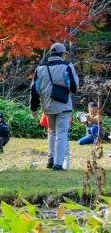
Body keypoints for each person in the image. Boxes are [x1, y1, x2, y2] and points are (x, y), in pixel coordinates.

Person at [34, 41, 82, 170]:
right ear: (62, 54)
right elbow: (73, 87)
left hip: (47, 106)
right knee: (61, 134)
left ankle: (50, 158)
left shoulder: (40, 68)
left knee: (52, 132)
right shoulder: (67, 66)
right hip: (63, 104)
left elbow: (35, 89)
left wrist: (33, 107)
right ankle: (58, 163)